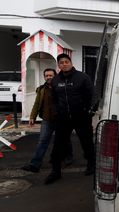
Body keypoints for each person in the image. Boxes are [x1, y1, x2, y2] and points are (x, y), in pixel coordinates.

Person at [44, 53, 95, 185]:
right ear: (58, 65)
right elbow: (54, 99)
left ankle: (91, 164)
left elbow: (91, 96)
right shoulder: (55, 80)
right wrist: (57, 113)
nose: (64, 64)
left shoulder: (82, 77)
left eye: (66, 61)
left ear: (71, 63)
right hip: (63, 118)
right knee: (58, 145)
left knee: (87, 142)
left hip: (81, 117)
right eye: (61, 62)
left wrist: (88, 112)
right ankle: (56, 171)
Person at [21, 68, 74, 173]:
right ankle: (35, 165)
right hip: (47, 120)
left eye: (51, 75)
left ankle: (69, 157)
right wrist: (32, 117)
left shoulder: (62, 87)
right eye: (46, 76)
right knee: (42, 141)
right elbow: (37, 104)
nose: (49, 77)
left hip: (61, 120)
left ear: (55, 76)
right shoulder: (41, 89)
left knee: (65, 140)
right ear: (44, 77)